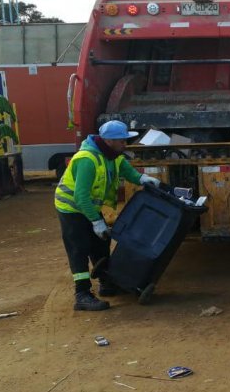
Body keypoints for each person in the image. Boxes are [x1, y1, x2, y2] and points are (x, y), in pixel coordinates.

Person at [54, 120, 161, 311]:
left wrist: (144, 179)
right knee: (79, 250)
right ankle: (82, 295)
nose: (125, 144)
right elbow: (80, 196)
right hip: (72, 209)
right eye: (122, 141)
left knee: (101, 245)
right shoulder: (87, 159)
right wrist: (96, 222)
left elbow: (129, 173)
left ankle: (107, 284)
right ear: (110, 140)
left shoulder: (114, 156)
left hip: (91, 208)